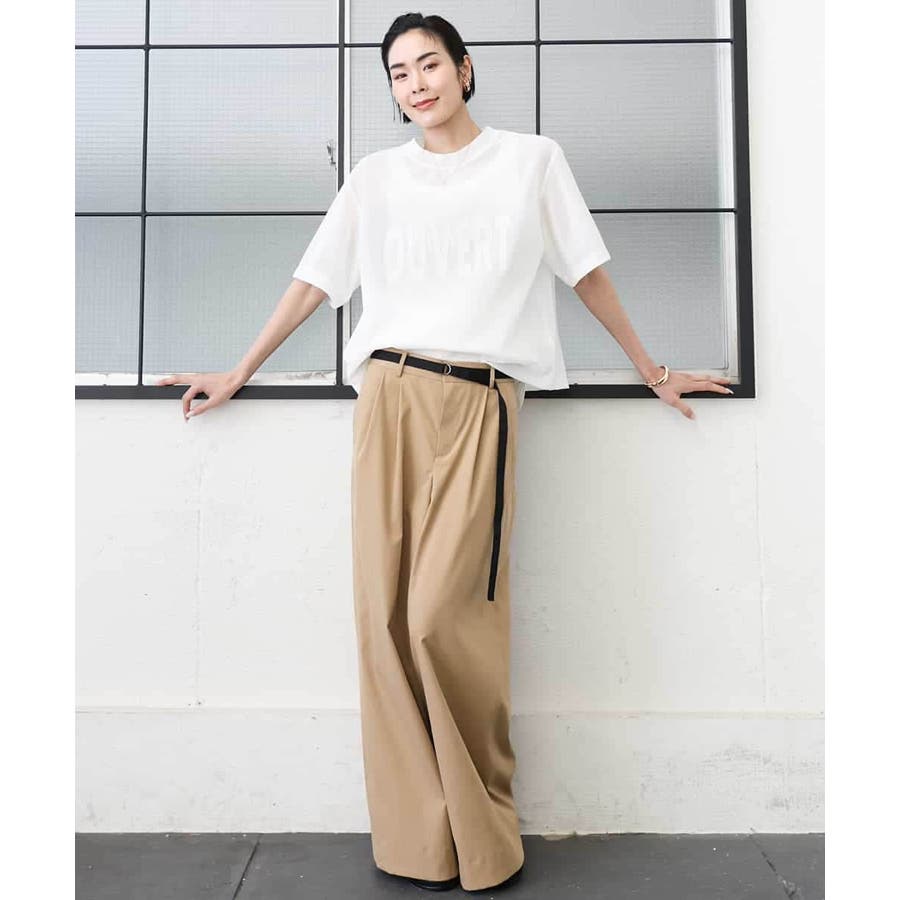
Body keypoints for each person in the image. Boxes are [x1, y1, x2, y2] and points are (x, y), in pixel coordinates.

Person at [157, 13, 733, 894]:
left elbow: (586, 271)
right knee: (385, 624)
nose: (416, 83)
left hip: (479, 400)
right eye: (399, 73)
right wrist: (239, 371)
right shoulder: (376, 178)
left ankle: (483, 836)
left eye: (430, 64)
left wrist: (652, 371)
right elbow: (314, 281)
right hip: (388, 396)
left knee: (441, 617)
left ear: (465, 70)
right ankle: (418, 842)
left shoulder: (531, 162)